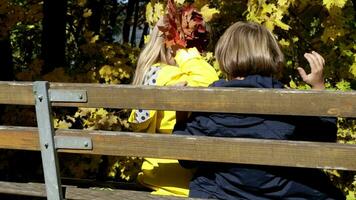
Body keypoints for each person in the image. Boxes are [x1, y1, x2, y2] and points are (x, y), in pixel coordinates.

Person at [173, 21, 345, 199]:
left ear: (225, 55)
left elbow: (186, 158)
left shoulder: (210, 103)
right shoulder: (289, 102)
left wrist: (181, 115)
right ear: (271, 55)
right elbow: (324, 141)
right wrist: (319, 88)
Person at [128, 4, 219, 197]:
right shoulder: (171, 77)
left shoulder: (151, 75)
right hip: (187, 182)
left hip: (158, 177)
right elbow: (209, 83)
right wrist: (186, 54)